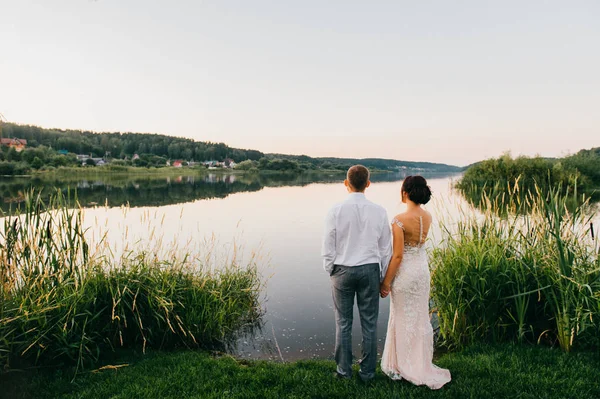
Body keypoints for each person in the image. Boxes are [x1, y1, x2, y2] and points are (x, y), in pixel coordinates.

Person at [321, 165, 392, 382]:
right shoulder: (380, 211)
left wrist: (330, 268)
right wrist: (382, 277)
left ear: (346, 183)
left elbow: (328, 243)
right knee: (370, 322)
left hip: (342, 270)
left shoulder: (335, 210)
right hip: (369, 269)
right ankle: (368, 373)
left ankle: (344, 371)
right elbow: (385, 248)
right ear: (368, 184)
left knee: (343, 322)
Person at [380, 175, 451, 389]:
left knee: (402, 317)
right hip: (421, 271)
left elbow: (398, 256)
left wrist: (385, 283)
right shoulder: (427, 216)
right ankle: (419, 363)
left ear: (405, 192)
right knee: (419, 318)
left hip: (406, 273)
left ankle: (403, 365)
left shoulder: (399, 219)